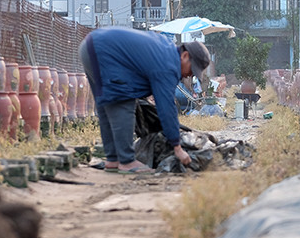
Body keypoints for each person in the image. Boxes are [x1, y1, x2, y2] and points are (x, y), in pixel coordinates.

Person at [79, 26, 211, 173]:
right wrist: (177, 147)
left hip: (90, 46)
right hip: (104, 51)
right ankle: (127, 161)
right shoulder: (169, 65)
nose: (189, 75)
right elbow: (166, 107)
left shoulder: (165, 51)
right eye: (191, 70)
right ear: (185, 56)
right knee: (123, 100)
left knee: (107, 103)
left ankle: (113, 159)